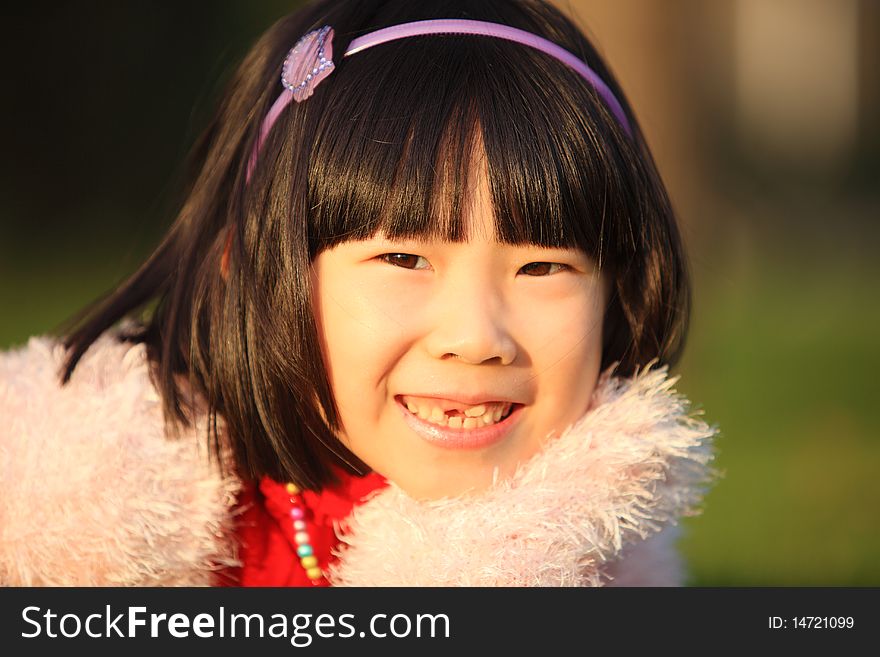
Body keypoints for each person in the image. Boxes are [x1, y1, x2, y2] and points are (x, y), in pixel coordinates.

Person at [0, 0, 715, 587]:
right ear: (244, 267)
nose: (475, 336)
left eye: (542, 268)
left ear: (616, 292)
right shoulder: (65, 546)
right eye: (403, 255)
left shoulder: (598, 572)